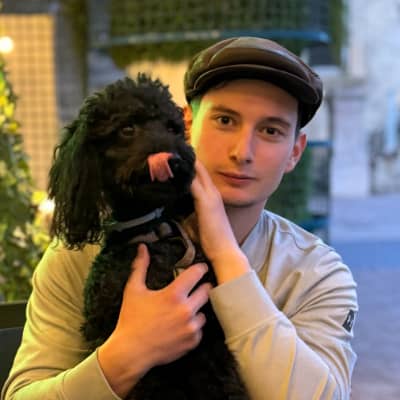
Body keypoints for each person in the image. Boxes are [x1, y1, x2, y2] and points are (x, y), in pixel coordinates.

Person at [1, 37, 358, 400]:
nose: (242, 152)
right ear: (186, 125)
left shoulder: (315, 274)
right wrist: (125, 355)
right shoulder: (82, 252)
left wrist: (225, 254)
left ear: (295, 152)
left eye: (270, 130)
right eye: (224, 120)